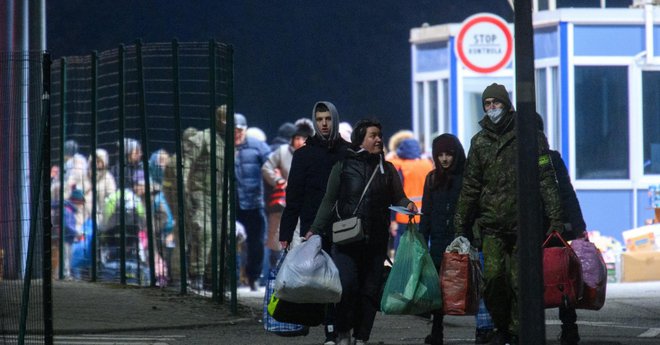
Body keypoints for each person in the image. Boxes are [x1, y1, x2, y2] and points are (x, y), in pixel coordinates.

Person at [453, 83, 564, 345]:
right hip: (491, 226)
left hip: (523, 227)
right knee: (492, 281)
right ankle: (502, 326)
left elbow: (546, 178)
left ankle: (515, 332)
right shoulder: (479, 142)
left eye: (496, 103)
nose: (492, 108)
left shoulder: (530, 137)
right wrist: (460, 225)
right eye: (487, 104)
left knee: (519, 283)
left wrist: (556, 218)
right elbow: (470, 185)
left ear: (507, 104)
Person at [307, 118, 418, 345]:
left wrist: (407, 204)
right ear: (360, 139)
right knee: (347, 286)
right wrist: (315, 229)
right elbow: (329, 201)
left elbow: (399, 196)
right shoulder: (343, 166)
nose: (378, 139)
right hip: (346, 240)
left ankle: (361, 337)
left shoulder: (387, 169)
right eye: (373, 135)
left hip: (376, 241)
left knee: (369, 292)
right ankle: (343, 331)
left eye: (380, 135)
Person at [279, 101, 350, 345]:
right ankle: (331, 331)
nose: (324, 123)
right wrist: (286, 233)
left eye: (328, 118)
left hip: (344, 227)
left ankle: (340, 329)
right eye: (319, 119)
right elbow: (294, 197)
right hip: (314, 229)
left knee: (341, 279)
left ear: (335, 119)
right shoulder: (304, 155)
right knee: (321, 282)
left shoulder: (348, 153)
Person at [418, 134, 466, 345]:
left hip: (460, 240)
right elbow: (426, 211)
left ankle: (484, 328)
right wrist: (422, 237)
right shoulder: (431, 178)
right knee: (438, 289)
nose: (445, 159)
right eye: (440, 155)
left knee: (464, 286)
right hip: (438, 240)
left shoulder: (465, 178)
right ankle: (437, 331)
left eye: (449, 154)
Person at [261, 119, 314, 263]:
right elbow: (266, 168)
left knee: (300, 240)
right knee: (278, 240)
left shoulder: (312, 154)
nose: (300, 141)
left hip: (304, 204)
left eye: (303, 138)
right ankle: (277, 275)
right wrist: (278, 180)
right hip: (283, 204)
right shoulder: (282, 151)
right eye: (297, 138)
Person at [234, 113, 271, 291]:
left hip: (253, 203)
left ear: (245, 130)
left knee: (256, 243)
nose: (236, 134)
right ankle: (232, 277)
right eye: (233, 130)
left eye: (239, 130)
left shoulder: (257, 147)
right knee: (229, 241)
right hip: (231, 204)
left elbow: (271, 165)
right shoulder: (222, 147)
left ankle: (253, 277)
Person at [388, 137, 433, 252]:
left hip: (404, 216)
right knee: (422, 249)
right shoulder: (427, 165)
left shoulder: (401, 167)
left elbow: (395, 194)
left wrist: (392, 219)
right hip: (424, 215)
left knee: (403, 252)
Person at [89, 148, 117, 227]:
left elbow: (111, 198)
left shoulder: (108, 178)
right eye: (94, 161)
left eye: (99, 161)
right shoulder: (85, 176)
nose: (96, 163)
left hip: (102, 217)